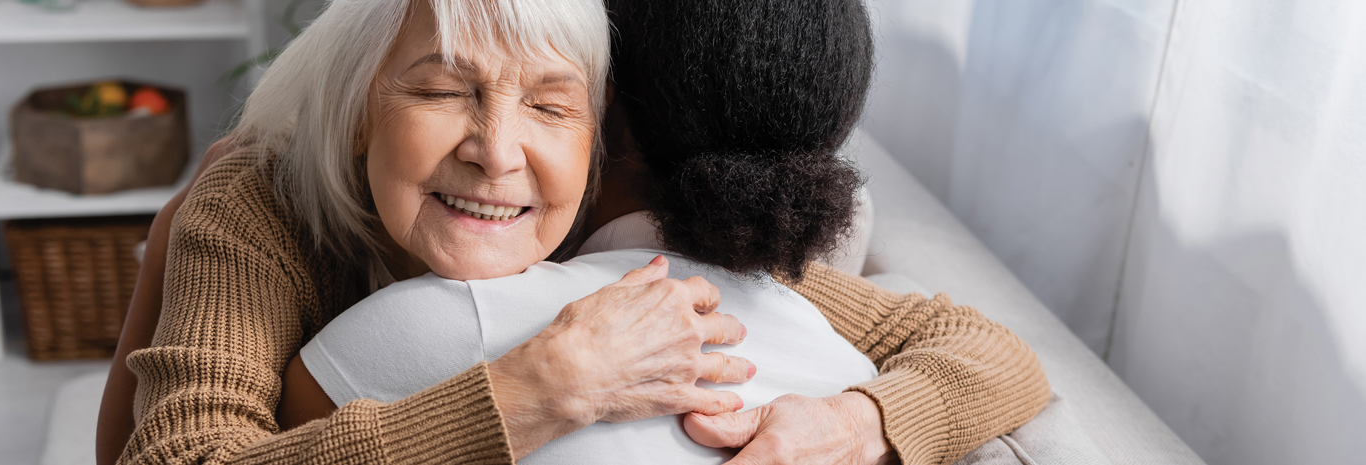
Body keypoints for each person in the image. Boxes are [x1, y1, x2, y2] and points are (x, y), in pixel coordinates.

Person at [95, 0, 1050, 463]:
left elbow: (989, 350)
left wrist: (856, 421)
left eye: (552, 107)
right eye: (442, 90)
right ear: (355, 109)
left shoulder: (603, 220)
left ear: (601, 141)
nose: (498, 152)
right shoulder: (260, 207)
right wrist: (533, 391)